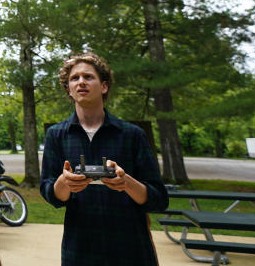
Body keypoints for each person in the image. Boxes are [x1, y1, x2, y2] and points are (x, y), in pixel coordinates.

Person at [40, 53, 168, 265]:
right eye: (74, 78)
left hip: (130, 250)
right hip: (79, 251)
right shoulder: (56, 135)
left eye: (88, 77)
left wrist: (127, 183)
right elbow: (49, 193)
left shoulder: (133, 135)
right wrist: (64, 183)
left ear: (104, 86)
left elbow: (159, 199)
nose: (81, 81)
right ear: (68, 90)